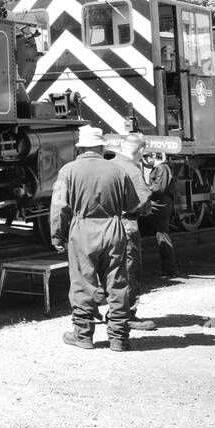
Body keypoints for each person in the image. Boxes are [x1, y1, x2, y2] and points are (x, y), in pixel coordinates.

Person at [50, 124, 143, 351]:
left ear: (80, 148)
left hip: (82, 230)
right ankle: (119, 338)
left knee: (83, 283)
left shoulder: (68, 171)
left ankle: (83, 335)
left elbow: (60, 207)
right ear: (102, 147)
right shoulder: (118, 170)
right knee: (117, 283)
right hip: (113, 228)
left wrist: (57, 236)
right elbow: (133, 204)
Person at [108, 133, 157, 331]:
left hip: (105, 223)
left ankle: (114, 311)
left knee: (111, 270)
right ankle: (127, 314)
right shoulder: (132, 170)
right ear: (142, 151)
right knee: (129, 268)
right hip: (126, 223)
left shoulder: (109, 164)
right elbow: (144, 201)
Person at [142, 151, 180, 277]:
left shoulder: (162, 168)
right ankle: (169, 269)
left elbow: (159, 188)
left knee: (163, 236)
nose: (145, 161)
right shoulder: (160, 168)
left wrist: (144, 189)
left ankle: (171, 270)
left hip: (160, 206)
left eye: (146, 157)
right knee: (161, 236)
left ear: (153, 156)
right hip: (160, 205)